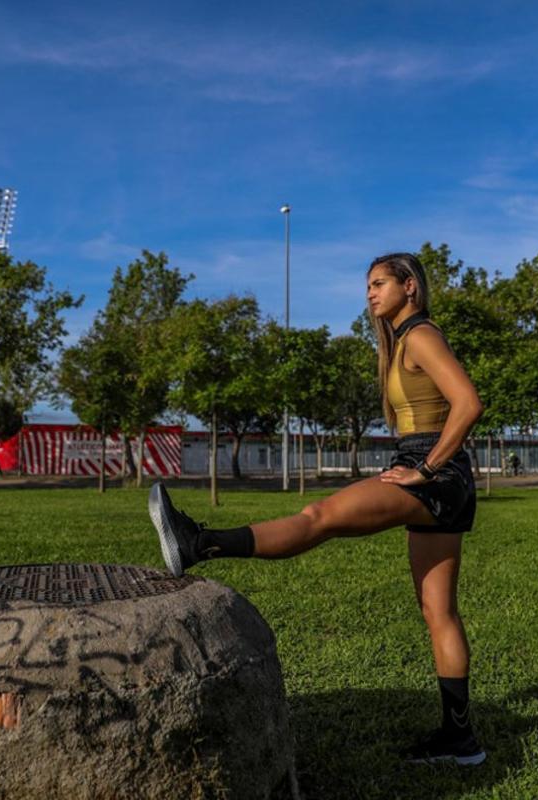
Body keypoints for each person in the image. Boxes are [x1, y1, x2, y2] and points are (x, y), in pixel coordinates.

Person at [148, 252, 486, 766]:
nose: (370, 294)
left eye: (379, 284)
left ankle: (200, 543)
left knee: (319, 517)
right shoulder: (400, 341)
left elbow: (468, 403)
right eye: (367, 286)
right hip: (444, 476)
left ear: (409, 286)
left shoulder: (420, 334)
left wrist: (427, 469)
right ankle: (461, 741)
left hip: (432, 471)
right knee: (438, 612)